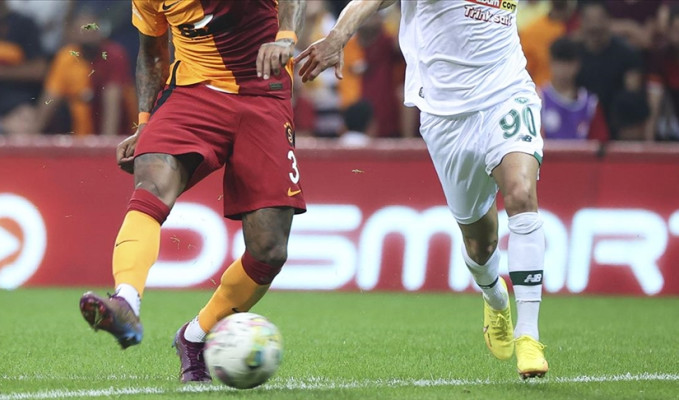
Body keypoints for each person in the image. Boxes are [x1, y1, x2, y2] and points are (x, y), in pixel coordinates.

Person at [296, 0, 549, 379]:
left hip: (507, 92)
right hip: (446, 115)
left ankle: (529, 335)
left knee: (520, 192)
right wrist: (337, 36)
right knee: (480, 243)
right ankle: (494, 295)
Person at [78, 0, 306, 384]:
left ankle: (195, 335)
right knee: (151, 185)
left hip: (263, 95)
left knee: (269, 249)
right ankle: (125, 303)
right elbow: (152, 53)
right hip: (192, 93)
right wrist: (144, 124)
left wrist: (285, 38)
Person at [36, 7, 134, 136]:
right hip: (80, 133)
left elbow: (112, 101)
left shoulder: (113, 55)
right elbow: (50, 97)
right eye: (83, 30)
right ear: (72, 33)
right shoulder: (66, 57)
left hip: (121, 132)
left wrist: (107, 142)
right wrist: (34, 133)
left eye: (92, 30)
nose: (88, 35)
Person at [541, 36, 609, 141]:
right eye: (559, 63)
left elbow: (599, 143)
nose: (563, 69)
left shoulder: (591, 104)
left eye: (568, 64)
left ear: (577, 65)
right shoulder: (537, 99)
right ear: (550, 63)